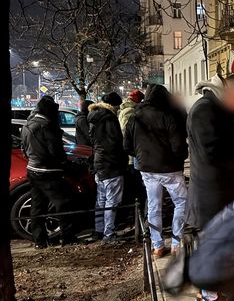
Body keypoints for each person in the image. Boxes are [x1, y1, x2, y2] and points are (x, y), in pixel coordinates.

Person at [185, 73, 234, 232]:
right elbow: (210, 153)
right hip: (211, 197)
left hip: (223, 193)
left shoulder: (219, 108)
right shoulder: (205, 109)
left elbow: (225, 143)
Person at [124, 84, 188, 257]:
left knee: (153, 206)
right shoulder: (168, 115)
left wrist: (142, 156)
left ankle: (157, 246)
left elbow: (127, 146)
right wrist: (179, 157)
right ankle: (176, 243)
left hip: (147, 169)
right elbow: (178, 146)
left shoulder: (135, 116)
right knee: (181, 202)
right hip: (170, 169)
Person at [21, 96, 78, 247]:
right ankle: (68, 238)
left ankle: (40, 240)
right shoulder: (47, 126)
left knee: (37, 207)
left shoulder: (28, 124)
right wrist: (66, 164)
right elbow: (56, 151)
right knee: (64, 203)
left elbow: (24, 149)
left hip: (33, 169)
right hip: (48, 171)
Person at [87, 96, 127, 242]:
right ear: (113, 105)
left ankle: (99, 229)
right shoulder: (109, 118)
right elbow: (115, 142)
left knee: (101, 199)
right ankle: (109, 234)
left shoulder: (94, 117)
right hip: (111, 164)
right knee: (112, 201)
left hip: (99, 162)